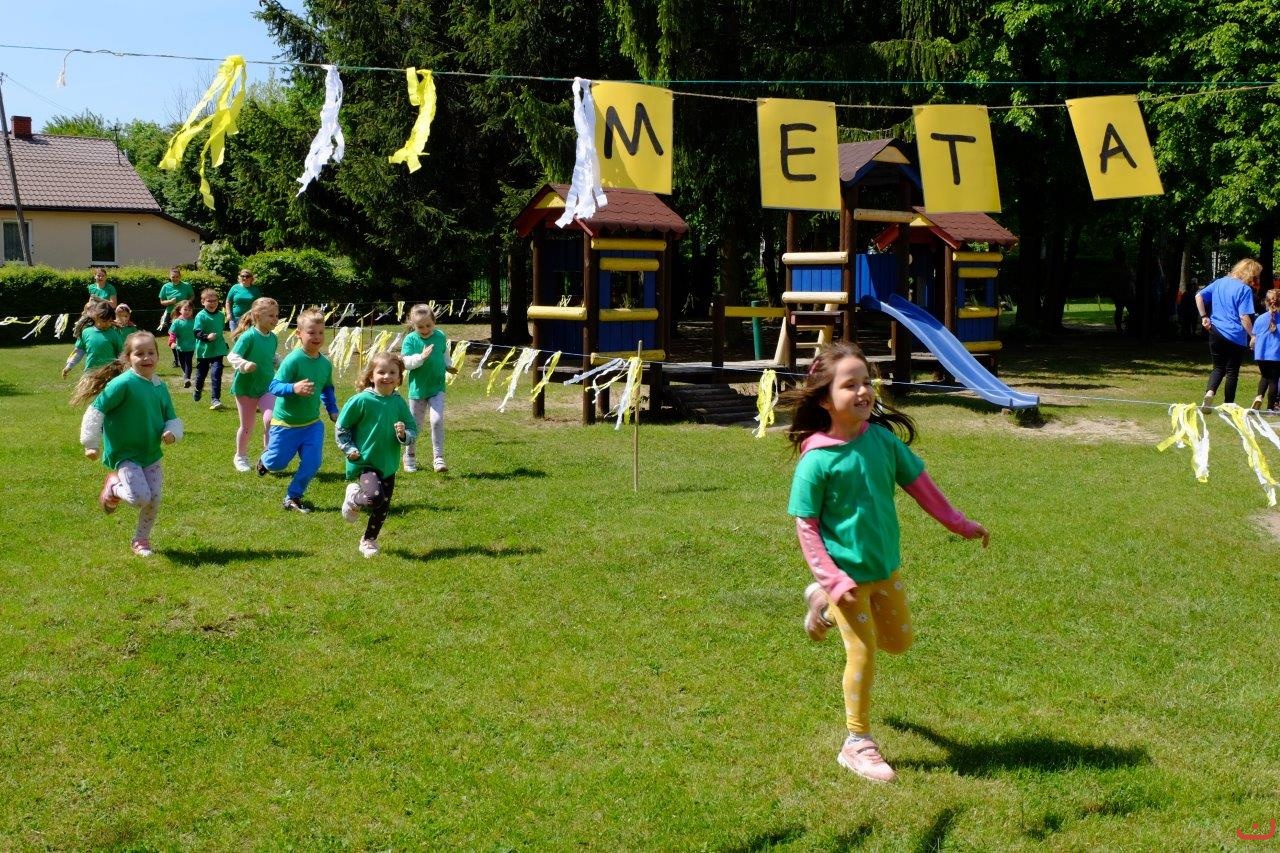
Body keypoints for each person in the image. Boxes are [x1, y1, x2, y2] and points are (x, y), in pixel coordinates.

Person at [784, 342, 989, 783]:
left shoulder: (883, 442)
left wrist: (958, 523)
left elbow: (921, 486)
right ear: (825, 399)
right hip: (846, 579)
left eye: (867, 382)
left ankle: (820, 605)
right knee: (862, 651)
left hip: (885, 569)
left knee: (898, 642)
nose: (863, 391)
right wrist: (834, 580)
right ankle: (856, 742)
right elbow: (807, 527)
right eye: (850, 385)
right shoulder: (816, 458)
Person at [72, 331, 183, 558]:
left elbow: (171, 417)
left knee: (154, 498)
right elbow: (96, 410)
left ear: (158, 356)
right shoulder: (122, 383)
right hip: (125, 453)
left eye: (151, 352)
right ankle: (113, 486)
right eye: (139, 354)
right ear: (128, 358)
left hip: (151, 452)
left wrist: (172, 432)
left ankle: (141, 540)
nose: (146, 358)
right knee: (140, 497)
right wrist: (91, 443)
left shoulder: (160, 386)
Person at [257, 308, 338, 513]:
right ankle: (265, 460)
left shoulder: (325, 364)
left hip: (312, 425)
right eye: (311, 332)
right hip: (286, 424)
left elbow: (327, 388)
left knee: (312, 463)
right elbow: (274, 386)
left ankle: (293, 496)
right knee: (277, 464)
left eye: (321, 332)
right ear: (299, 334)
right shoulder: (293, 360)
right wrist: (293, 388)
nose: (317, 337)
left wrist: (332, 410)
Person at [336, 352, 417, 558]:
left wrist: (403, 435)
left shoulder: (398, 402)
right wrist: (349, 449)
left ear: (399, 378)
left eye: (392, 373)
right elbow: (342, 427)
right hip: (365, 461)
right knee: (374, 497)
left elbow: (412, 428)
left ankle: (369, 540)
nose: (387, 376)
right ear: (371, 376)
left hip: (388, 463)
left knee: (382, 507)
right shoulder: (361, 400)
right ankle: (354, 497)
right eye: (381, 372)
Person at [1197, 259, 1262, 407]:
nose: (1255, 279)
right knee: (1232, 371)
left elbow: (1198, 296)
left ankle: (1210, 393)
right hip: (1235, 335)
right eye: (1255, 275)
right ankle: (1228, 404)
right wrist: (1252, 335)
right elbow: (1244, 316)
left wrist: (1204, 317)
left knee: (1218, 367)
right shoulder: (1245, 290)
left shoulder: (1219, 282)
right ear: (1250, 273)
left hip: (1216, 331)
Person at [400, 304, 456, 472]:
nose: (425, 329)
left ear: (434, 322)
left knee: (437, 420)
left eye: (428, 325)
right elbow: (405, 363)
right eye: (420, 326)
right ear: (413, 324)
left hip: (437, 387)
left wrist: (448, 365)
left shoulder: (440, 336)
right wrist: (421, 357)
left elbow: (444, 353)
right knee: (414, 427)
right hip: (417, 390)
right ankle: (409, 456)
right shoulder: (410, 340)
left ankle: (438, 458)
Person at [227, 297, 281, 472]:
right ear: (257, 316)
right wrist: (245, 365)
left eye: (276, 315)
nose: (275, 319)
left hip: (267, 386)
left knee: (271, 420)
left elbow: (272, 357)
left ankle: (267, 457)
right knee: (247, 426)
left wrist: (284, 365)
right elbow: (232, 356)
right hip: (246, 388)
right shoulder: (248, 336)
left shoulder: (273, 338)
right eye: (271, 316)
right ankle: (240, 456)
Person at [62, 301, 121, 377]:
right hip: (90, 373)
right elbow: (79, 351)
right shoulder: (86, 332)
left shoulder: (114, 334)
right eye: (104, 321)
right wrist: (69, 366)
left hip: (109, 374)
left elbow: (121, 353)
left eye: (110, 321)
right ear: (95, 317)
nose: (107, 324)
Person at [193, 288, 228, 410]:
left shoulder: (221, 315)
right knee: (201, 375)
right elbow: (196, 332)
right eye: (209, 301)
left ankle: (215, 399)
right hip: (204, 351)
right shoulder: (200, 316)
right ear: (203, 302)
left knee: (216, 374)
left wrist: (224, 344)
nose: (212, 303)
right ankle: (198, 389)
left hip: (218, 350)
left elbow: (220, 331)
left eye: (215, 301)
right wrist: (206, 337)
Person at [1251, 288, 1280, 410]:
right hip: (1276, 355)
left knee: (1264, 376)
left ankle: (1259, 396)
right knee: (1273, 381)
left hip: (1261, 355)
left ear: (1266, 302)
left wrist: (1252, 346)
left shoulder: (1260, 318)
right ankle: (1270, 408)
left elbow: (1254, 338)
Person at [158, 267, 195, 364]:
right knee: (173, 336)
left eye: (177, 276)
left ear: (180, 276)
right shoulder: (166, 286)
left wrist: (186, 304)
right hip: (171, 314)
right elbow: (162, 301)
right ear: (170, 277)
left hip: (184, 313)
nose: (175, 278)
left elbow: (192, 296)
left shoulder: (186, 285)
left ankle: (186, 357)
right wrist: (170, 301)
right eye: (173, 277)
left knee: (184, 335)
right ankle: (176, 359)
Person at [168, 300, 197, 388]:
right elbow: (172, 333)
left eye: (190, 310)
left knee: (188, 362)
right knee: (182, 363)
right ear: (180, 310)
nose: (187, 311)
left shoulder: (195, 321)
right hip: (180, 347)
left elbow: (199, 330)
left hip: (191, 346)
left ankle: (187, 378)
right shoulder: (177, 322)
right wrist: (172, 342)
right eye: (185, 309)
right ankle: (186, 376)